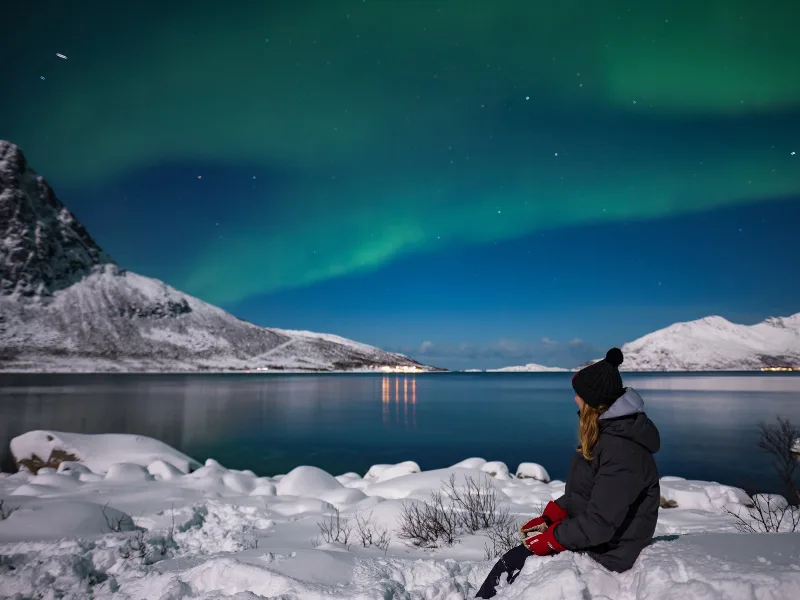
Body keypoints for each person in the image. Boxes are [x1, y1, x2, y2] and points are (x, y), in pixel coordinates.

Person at [475, 348, 661, 599]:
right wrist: (555, 514)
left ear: (595, 403)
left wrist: (552, 539)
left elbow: (600, 525)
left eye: (579, 395)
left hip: (611, 552)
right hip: (599, 540)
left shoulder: (622, 450)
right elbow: (589, 494)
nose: (575, 399)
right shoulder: (606, 436)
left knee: (518, 562)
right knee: (514, 559)